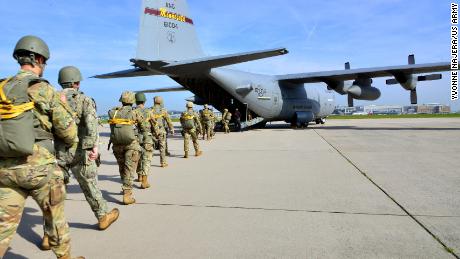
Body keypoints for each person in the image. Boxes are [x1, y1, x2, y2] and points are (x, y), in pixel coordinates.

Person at [0, 35, 84, 259]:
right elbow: (68, 132)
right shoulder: (42, 89)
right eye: (44, 61)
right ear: (38, 58)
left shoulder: (3, 87)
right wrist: (65, 110)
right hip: (39, 169)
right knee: (55, 218)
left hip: (5, 169)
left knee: (2, 228)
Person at [50, 66, 119, 239]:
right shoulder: (85, 100)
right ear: (77, 83)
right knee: (90, 185)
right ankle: (103, 217)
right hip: (81, 152)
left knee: (55, 194)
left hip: (58, 152)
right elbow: (91, 125)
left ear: (61, 81)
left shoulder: (53, 99)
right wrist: (93, 147)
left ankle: (49, 234)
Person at [108, 91, 145, 205]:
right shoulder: (134, 113)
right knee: (129, 169)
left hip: (117, 145)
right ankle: (127, 195)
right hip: (131, 144)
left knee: (122, 168)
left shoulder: (113, 112)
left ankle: (125, 187)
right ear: (132, 101)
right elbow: (143, 126)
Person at [134, 92, 158, 188]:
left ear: (136, 101)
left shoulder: (133, 112)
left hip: (137, 138)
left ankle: (139, 176)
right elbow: (154, 124)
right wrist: (156, 134)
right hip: (147, 137)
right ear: (144, 101)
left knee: (139, 157)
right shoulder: (149, 111)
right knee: (146, 159)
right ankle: (144, 181)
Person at [151, 96, 174, 167]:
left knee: (150, 147)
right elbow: (168, 120)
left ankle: (147, 162)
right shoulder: (163, 110)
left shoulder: (150, 110)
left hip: (152, 131)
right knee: (162, 147)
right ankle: (163, 163)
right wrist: (171, 129)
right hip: (161, 130)